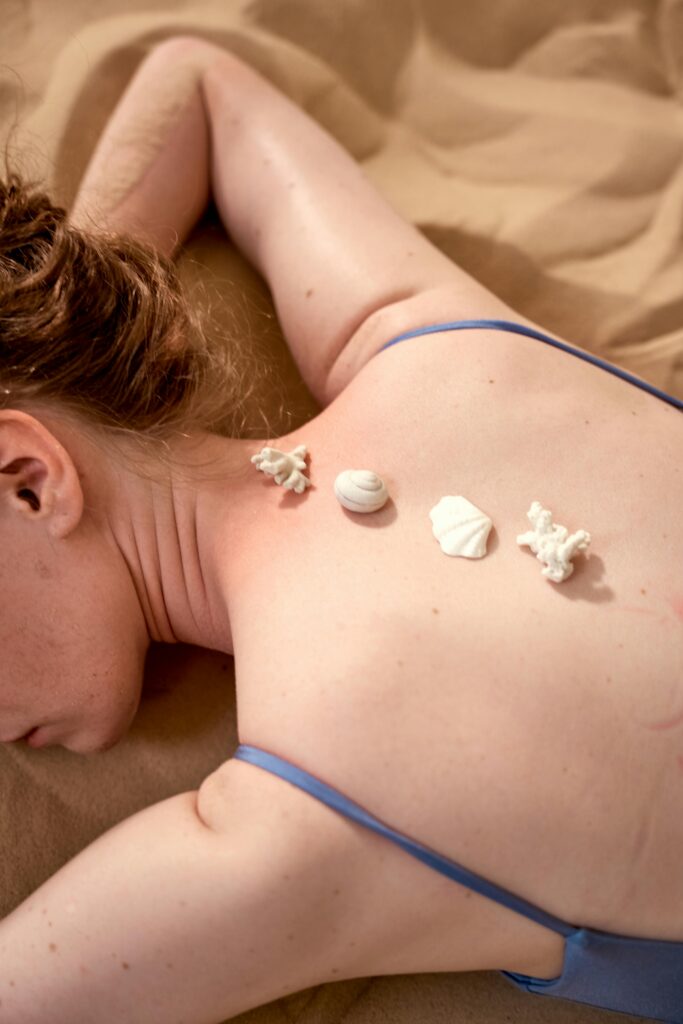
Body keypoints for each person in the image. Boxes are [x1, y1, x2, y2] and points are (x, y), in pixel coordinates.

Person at [0, 35, 681, 1024]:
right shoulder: (429, 339)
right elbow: (197, 82)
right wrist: (64, 321)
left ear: (24, 481)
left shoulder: (300, 829)